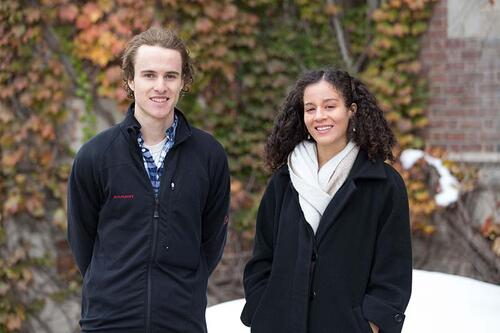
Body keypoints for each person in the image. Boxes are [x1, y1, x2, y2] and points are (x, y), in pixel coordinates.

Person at [67, 27, 230, 333]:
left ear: (183, 82)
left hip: (181, 321)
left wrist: (182, 287)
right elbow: (82, 239)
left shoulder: (209, 156)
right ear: (130, 80)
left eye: (170, 75)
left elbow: (211, 240)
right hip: (108, 322)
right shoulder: (95, 156)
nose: (160, 86)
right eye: (149, 75)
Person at [241, 69, 412, 333]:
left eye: (330, 106)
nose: (319, 116)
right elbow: (262, 258)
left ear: (351, 110)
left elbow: (393, 268)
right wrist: (261, 309)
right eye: (310, 108)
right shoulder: (284, 182)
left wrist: (371, 324)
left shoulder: (383, 185)